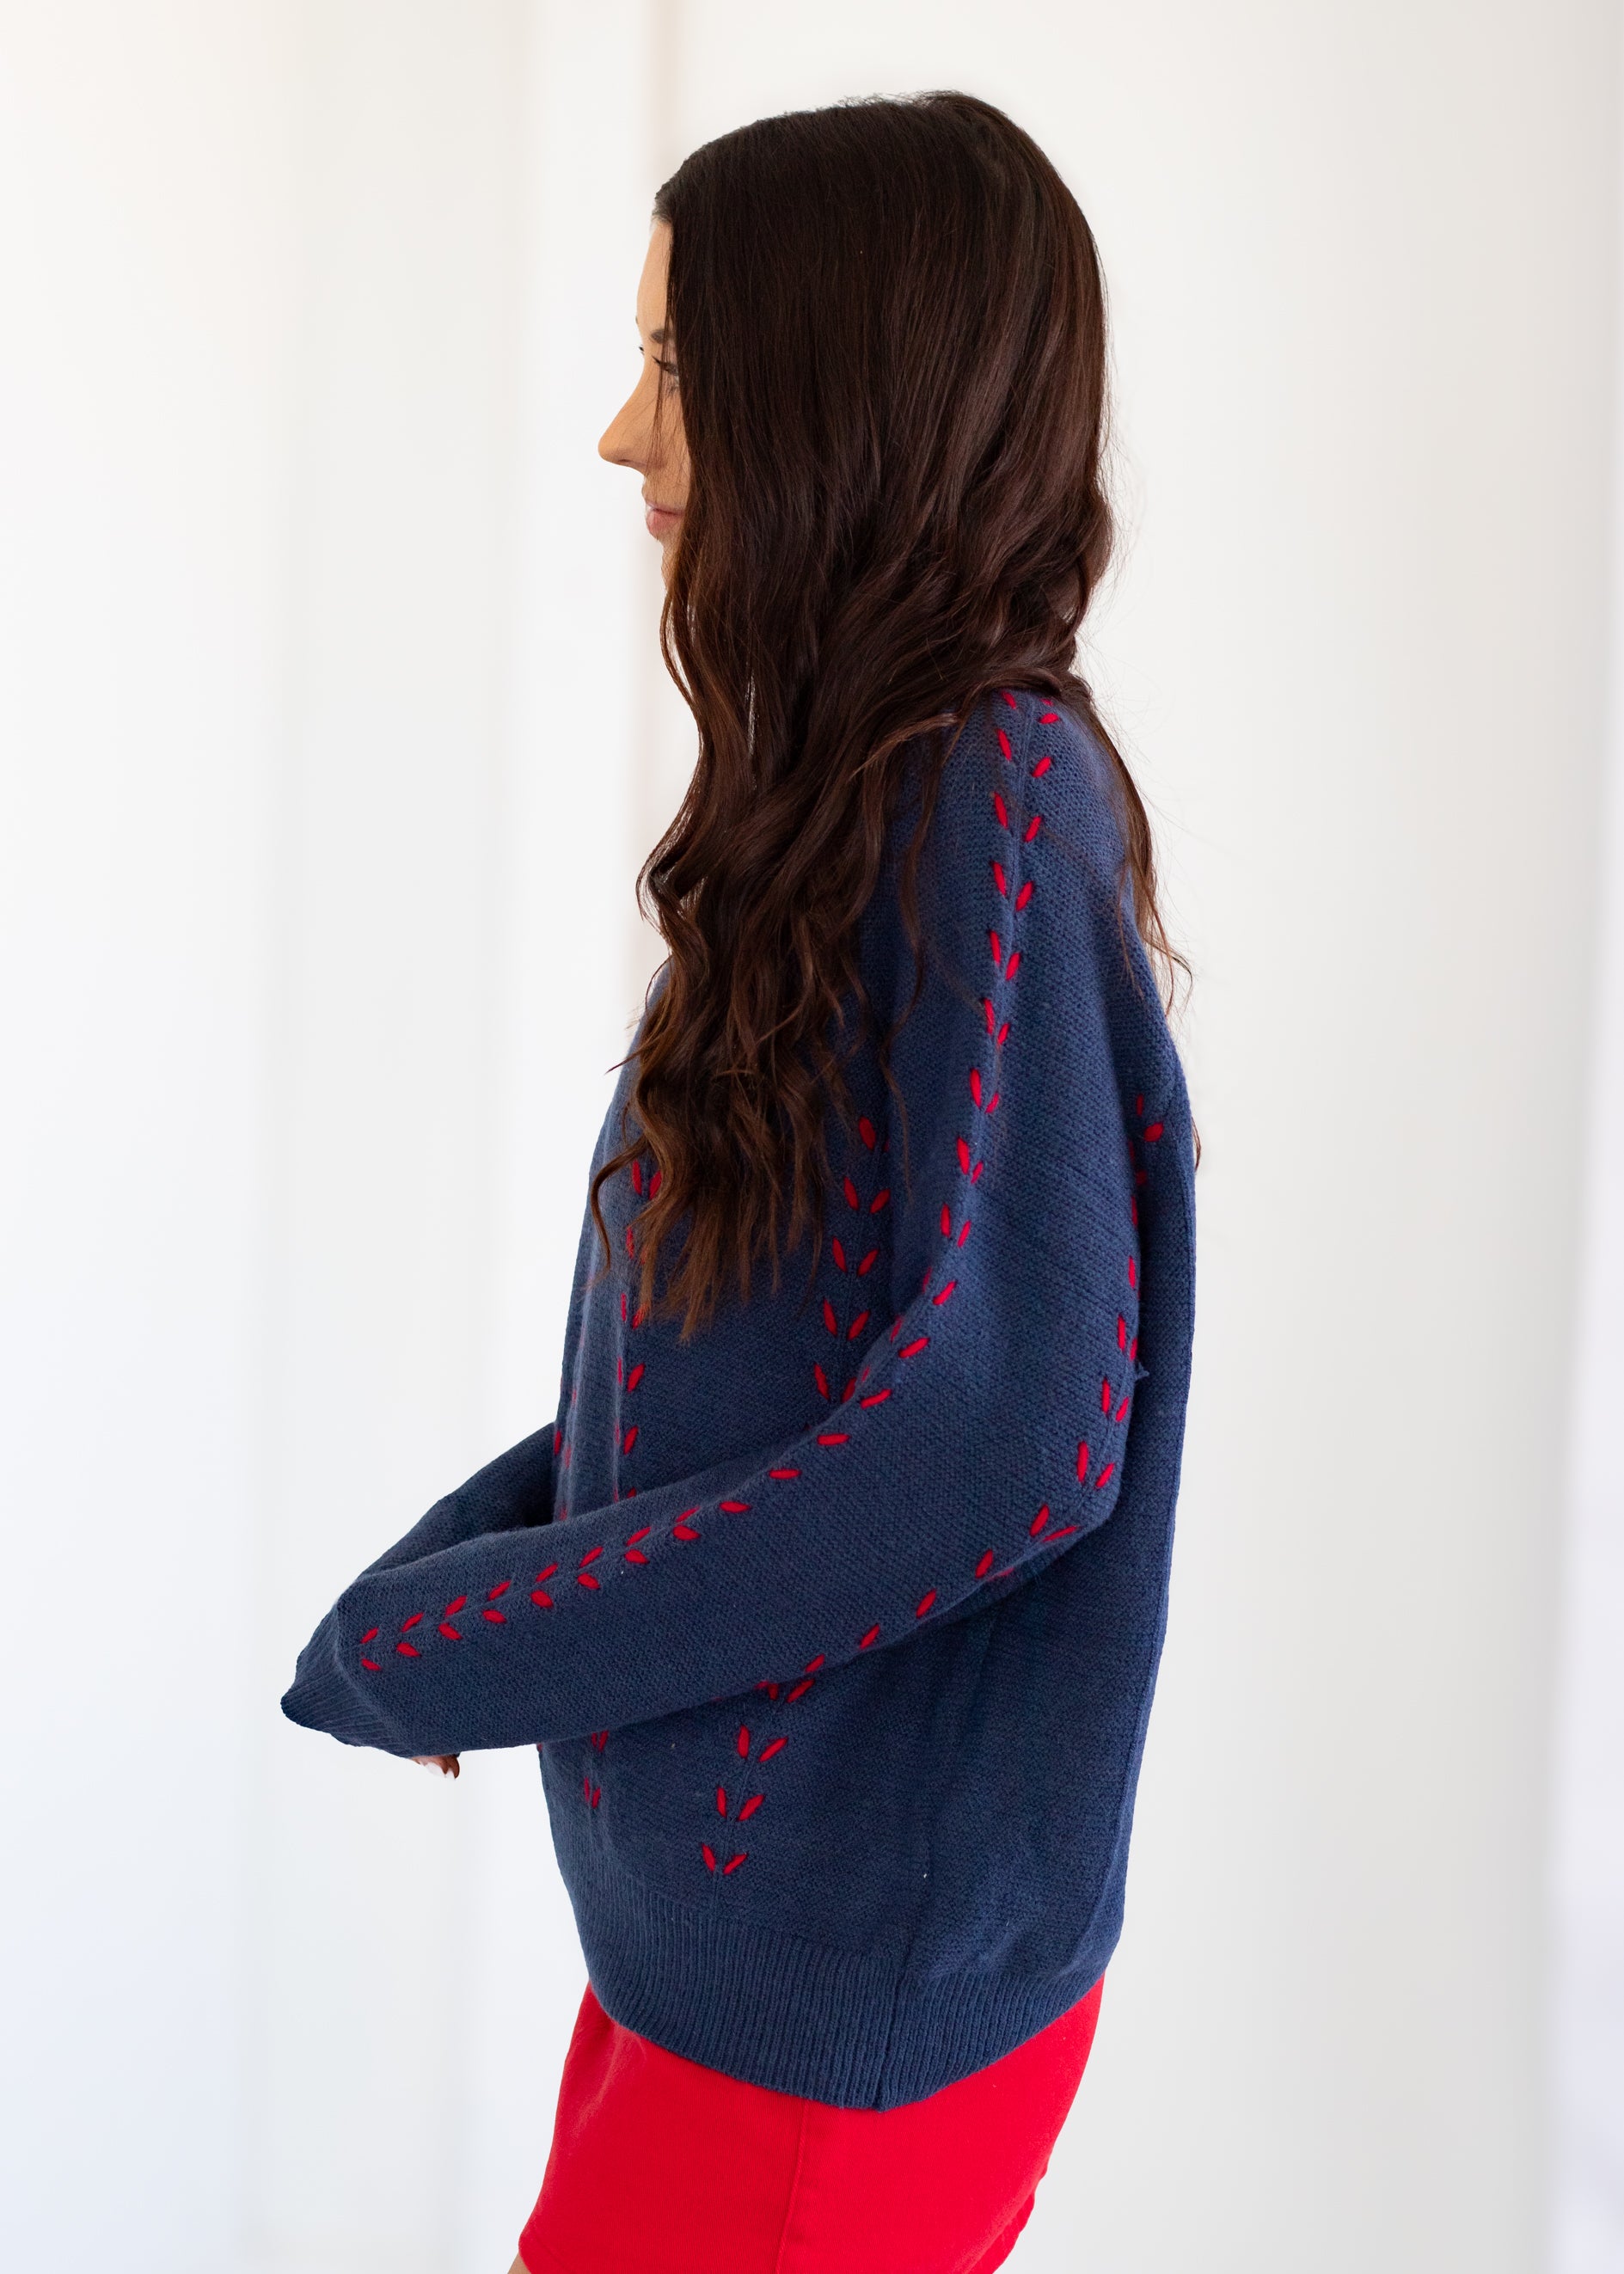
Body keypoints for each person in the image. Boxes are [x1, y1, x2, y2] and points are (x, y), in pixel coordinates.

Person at [283, 90, 1195, 2274]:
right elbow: (770, 1392)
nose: (623, 435)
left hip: (821, 2040)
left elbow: (999, 1441)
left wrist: (487, 1646)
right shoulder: (889, 811)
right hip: (733, 1994)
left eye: (676, 369)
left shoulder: (995, 796)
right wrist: (451, 1594)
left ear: (828, 393)